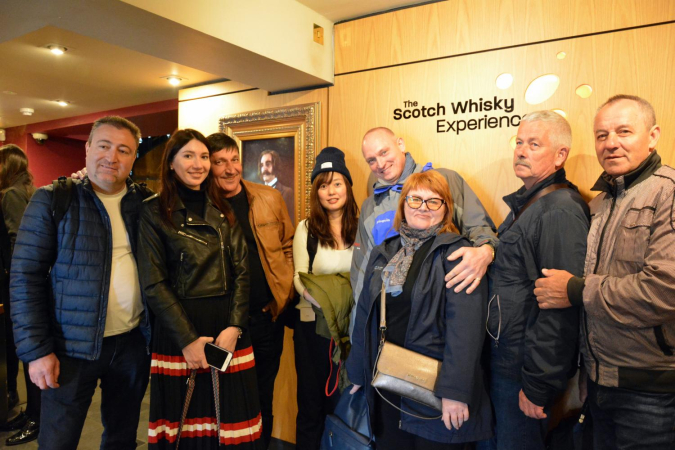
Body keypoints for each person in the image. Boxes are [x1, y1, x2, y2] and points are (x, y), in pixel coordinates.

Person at [534, 95, 675, 450]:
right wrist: (589, 372)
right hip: (599, 385)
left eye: (624, 132)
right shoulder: (599, 203)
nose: (611, 143)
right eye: (602, 135)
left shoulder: (668, 194)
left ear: (653, 136)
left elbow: (664, 290)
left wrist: (576, 290)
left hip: (651, 393)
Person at [10, 116, 152, 449]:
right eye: (104, 146)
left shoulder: (146, 204)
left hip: (132, 345)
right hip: (69, 349)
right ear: (87, 148)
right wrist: (37, 351)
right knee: (58, 441)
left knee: (122, 439)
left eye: (123, 150)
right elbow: (25, 279)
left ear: (133, 158)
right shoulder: (53, 200)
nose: (112, 157)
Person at [347, 170, 492, 449]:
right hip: (387, 383)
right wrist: (356, 371)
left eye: (433, 201)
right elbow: (365, 314)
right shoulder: (384, 251)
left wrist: (455, 392)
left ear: (446, 209)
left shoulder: (457, 254)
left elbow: (466, 330)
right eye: (415, 199)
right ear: (403, 205)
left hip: (434, 388)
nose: (423, 208)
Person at [137, 129, 264, 449]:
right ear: (171, 163)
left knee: (233, 426)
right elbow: (153, 283)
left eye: (204, 156)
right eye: (188, 156)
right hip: (181, 332)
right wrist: (188, 340)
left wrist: (236, 326)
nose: (198, 164)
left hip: (228, 330)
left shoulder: (223, 207)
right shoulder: (153, 211)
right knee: (186, 429)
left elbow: (242, 272)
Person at [480, 110, 590, 450]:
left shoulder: (559, 210)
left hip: (522, 371)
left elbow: (560, 308)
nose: (521, 151)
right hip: (505, 362)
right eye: (519, 142)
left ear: (560, 155)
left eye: (534, 144)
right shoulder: (530, 205)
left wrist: (538, 384)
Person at [351, 127, 498, 333]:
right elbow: (362, 273)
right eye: (371, 160)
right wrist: (358, 330)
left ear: (400, 144)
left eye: (384, 152)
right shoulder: (370, 207)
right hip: (390, 320)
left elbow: (480, 229)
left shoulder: (443, 180)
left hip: (438, 317)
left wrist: (486, 251)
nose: (381, 164)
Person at [208, 132, 295, 448]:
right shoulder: (201, 205)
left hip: (264, 320)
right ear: (208, 166)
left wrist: (281, 295)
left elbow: (287, 246)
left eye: (234, 159)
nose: (230, 168)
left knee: (262, 398)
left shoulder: (268, 197)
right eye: (220, 162)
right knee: (221, 402)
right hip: (220, 327)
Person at [292, 147, 359, 449]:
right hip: (313, 327)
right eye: (323, 185)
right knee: (311, 402)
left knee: (343, 400)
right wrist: (321, 300)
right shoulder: (307, 229)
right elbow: (298, 276)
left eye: (337, 183)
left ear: (348, 186)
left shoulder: (362, 226)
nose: (331, 192)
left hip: (350, 329)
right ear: (316, 191)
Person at [0, 144, 41, 445]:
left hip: (19, 286)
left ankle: (35, 418)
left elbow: (19, 242)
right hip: (26, 285)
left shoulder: (12, 194)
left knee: (28, 351)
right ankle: (31, 414)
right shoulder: (26, 191)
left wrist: (17, 284)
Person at [259, 149, 294, 222]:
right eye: (262, 165)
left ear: (276, 165)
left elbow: (289, 223)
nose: (264, 169)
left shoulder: (287, 192)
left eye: (268, 164)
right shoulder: (257, 192)